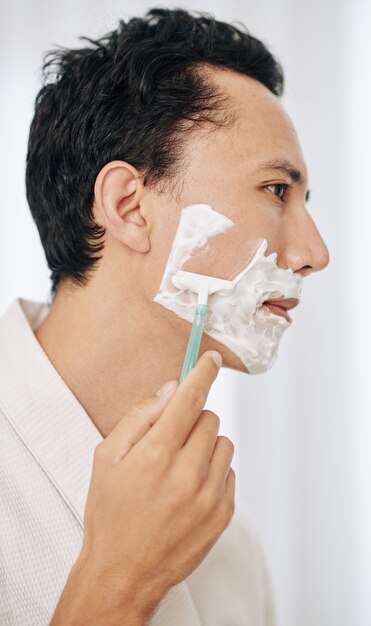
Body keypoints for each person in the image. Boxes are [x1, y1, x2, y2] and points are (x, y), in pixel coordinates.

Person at [0, 7, 329, 625]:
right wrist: (117, 585)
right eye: (276, 190)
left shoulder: (221, 531)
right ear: (128, 206)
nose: (315, 254)